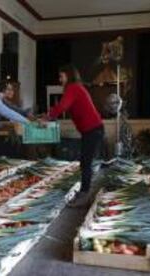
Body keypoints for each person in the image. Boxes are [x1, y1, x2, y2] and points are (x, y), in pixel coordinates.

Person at [47, 64, 104, 207]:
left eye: (61, 76)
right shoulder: (74, 88)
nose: (60, 79)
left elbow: (62, 107)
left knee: (85, 162)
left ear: (69, 75)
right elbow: (62, 106)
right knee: (85, 162)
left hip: (93, 130)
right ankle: (84, 192)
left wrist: (48, 117)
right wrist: (49, 115)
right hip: (91, 130)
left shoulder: (73, 87)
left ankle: (85, 194)